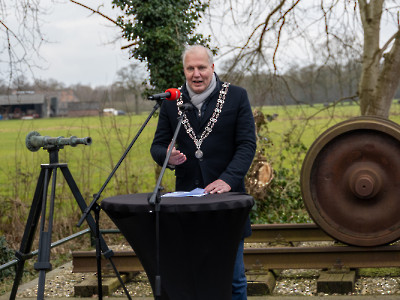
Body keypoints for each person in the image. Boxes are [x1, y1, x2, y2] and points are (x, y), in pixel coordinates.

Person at [150, 44, 256, 299]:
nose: (196, 74)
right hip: (187, 205)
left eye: (201, 67)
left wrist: (228, 180)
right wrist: (167, 156)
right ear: (184, 71)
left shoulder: (237, 96)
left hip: (227, 202)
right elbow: (157, 146)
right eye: (190, 68)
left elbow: (246, 144)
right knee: (192, 278)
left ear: (212, 67)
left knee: (234, 280)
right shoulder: (170, 103)